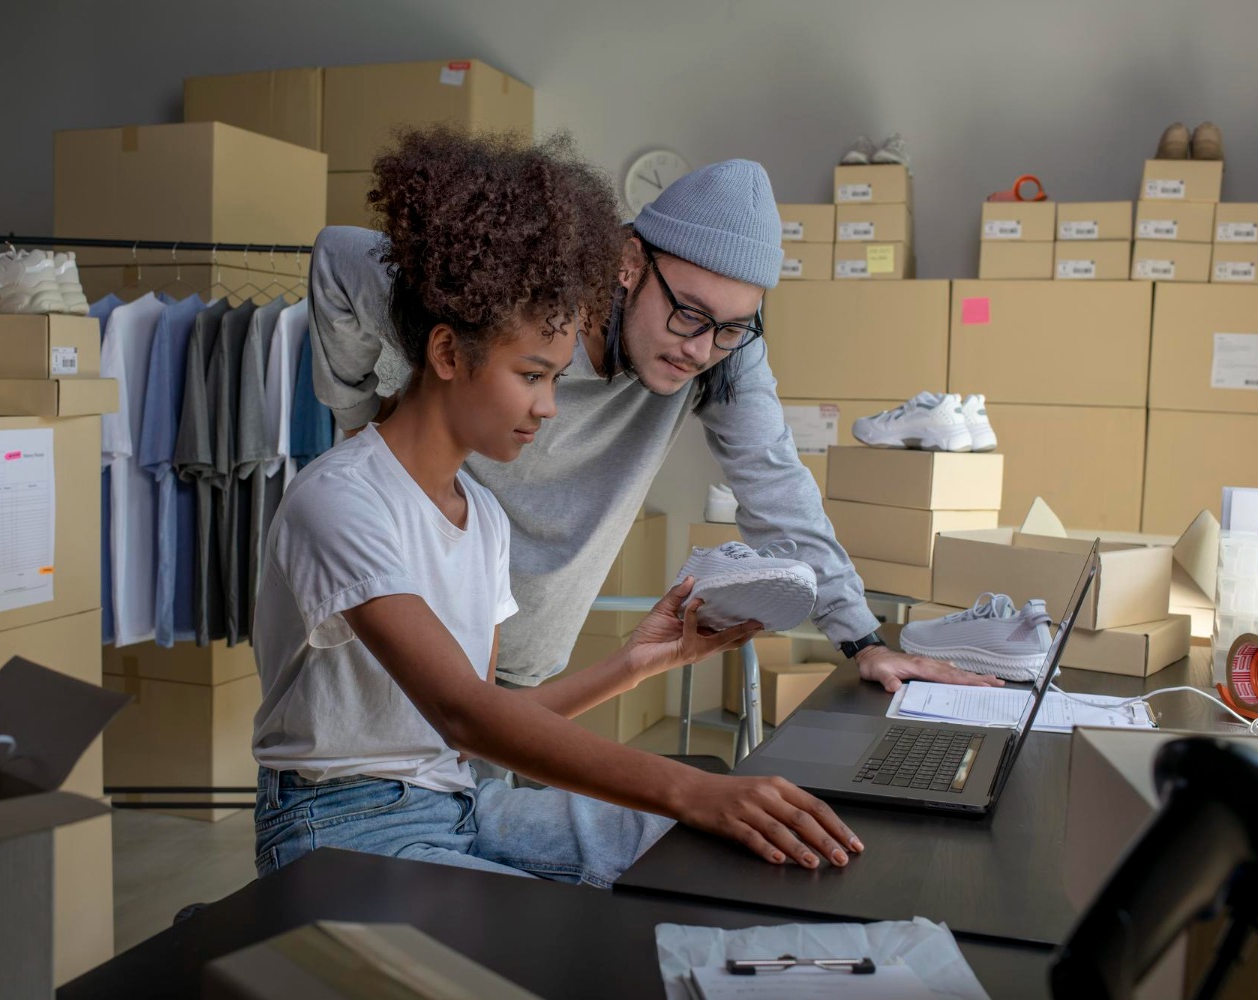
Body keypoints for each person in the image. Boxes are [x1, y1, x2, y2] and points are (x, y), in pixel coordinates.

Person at [252, 127, 862, 883]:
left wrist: (637, 663)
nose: (551, 409)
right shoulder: (340, 502)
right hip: (343, 822)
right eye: (536, 375)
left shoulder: (483, 520)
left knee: (706, 855)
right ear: (447, 354)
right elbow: (465, 715)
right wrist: (693, 788)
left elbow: (472, 735)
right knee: (578, 928)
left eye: (554, 377)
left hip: (458, 796)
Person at [309, 157, 1002, 696]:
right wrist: (361, 422)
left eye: (732, 328)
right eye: (689, 314)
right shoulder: (516, 298)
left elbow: (778, 489)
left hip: (518, 659)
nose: (700, 348)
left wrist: (863, 641)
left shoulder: (721, 356)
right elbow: (340, 258)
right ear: (630, 262)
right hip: (394, 631)